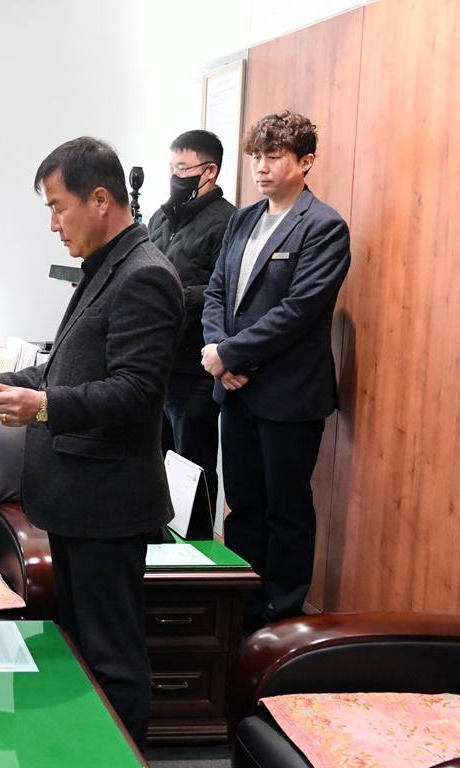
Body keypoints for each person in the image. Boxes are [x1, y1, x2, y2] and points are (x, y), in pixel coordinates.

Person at [0, 137, 183, 747]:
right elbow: (71, 369)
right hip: (75, 502)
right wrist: (1, 384)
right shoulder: (105, 267)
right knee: (78, 653)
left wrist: (41, 406)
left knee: (114, 662)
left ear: (101, 199)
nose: (52, 225)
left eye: (58, 207)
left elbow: (133, 393)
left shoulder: (145, 275)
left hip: (107, 506)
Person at [201, 110, 350, 633]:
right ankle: (238, 608)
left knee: (285, 511)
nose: (261, 167)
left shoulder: (324, 227)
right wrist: (215, 347)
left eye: (274, 157)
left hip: (288, 396)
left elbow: (298, 312)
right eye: (257, 156)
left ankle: (281, 618)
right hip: (235, 389)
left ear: (305, 162)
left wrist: (231, 356)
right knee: (241, 505)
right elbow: (217, 289)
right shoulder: (243, 219)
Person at [147, 130, 236, 509]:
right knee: (156, 465)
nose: (175, 176)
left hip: (196, 370)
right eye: (171, 167)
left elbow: (225, 292)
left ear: (209, 171)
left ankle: (195, 558)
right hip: (157, 365)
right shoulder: (160, 218)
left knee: (192, 469)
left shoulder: (231, 222)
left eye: (183, 168)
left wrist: (171, 296)